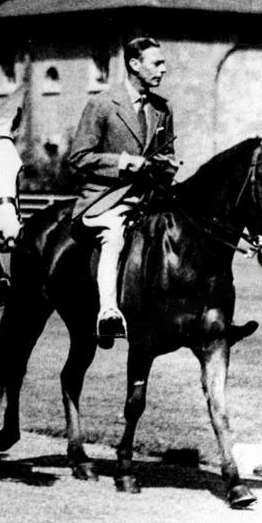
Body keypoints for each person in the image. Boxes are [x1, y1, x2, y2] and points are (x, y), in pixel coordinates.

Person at [68, 36, 177, 343]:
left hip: (149, 197)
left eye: (163, 63)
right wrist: (124, 163)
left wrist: (168, 166)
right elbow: (79, 157)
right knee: (114, 237)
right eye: (157, 63)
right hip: (105, 199)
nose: (164, 70)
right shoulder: (102, 104)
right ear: (134, 64)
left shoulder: (162, 108)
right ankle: (108, 313)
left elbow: (163, 154)